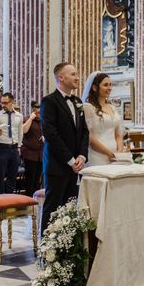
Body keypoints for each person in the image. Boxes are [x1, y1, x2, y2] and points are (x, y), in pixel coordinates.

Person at [41, 62, 89, 234]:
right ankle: (47, 252)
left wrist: (82, 157)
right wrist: (70, 159)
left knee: (70, 208)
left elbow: (84, 131)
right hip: (57, 165)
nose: (77, 78)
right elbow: (51, 134)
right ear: (61, 77)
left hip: (76, 166)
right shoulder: (49, 101)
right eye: (73, 74)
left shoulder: (77, 102)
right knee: (52, 208)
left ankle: (66, 251)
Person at [82, 72, 124, 166]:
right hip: (97, 155)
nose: (109, 88)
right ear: (94, 87)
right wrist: (109, 153)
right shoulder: (88, 107)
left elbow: (118, 134)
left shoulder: (112, 107)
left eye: (110, 85)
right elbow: (90, 137)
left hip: (115, 156)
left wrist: (119, 152)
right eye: (105, 85)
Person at [0, 92, 24, 194]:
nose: (3, 105)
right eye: (2, 103)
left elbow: (20, 132)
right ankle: (0, 198)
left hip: (14, 149)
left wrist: (19, 147)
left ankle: (9, 198)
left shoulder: (19, 116)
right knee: (0, 175)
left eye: (6, 103)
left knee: (12, 175)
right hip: (2, 148)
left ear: (12, 102)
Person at [22, 101, 44, 197]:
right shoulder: (27, 119)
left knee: (37, 178)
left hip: (41, 154)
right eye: (38, 113)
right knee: (30, 179)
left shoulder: (44, 120)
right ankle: (28, 198)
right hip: (30, 154)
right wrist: (31, 118)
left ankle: (36, 199)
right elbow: (24, 130)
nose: (39, 114)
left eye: (41, 112)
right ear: (33, 112)